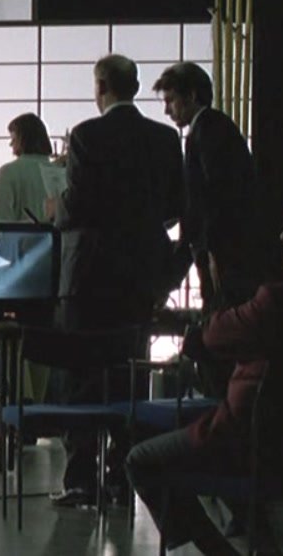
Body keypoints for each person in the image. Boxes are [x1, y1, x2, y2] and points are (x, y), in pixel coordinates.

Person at [126, 186, 283, 555]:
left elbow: (213, 337)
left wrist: (194, 327)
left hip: (249, 448)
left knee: (141, 460)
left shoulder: (278, 303)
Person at [46, 54, 184, 505]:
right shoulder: (164, 138)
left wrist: (57, 208)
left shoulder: (87, 135)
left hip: (89, 274)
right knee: (130, 373)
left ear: (101, 87)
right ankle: (124, 475)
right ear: (136, 87)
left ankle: (81, 478)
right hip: (140, 274)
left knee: (81, 376)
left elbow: (80, 205)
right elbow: (175, 206)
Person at [154, 61, 261, 396]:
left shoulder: (209, 130)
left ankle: (221, 402)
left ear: (191, 95)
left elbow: (218, 194)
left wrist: (213, 248)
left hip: (223, 249)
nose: (167, 110)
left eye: (171, 100)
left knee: (222, 322)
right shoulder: (214, 128)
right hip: (220, 247)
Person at [0, 112, 56, 404]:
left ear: (22, 138)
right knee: (44, 338)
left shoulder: (10, 173)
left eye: (13, 137)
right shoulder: (58, 171)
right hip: (53, 267)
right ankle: (41, 403)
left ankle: (20, 402)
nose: (10, 143)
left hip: (15, 268)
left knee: (11, 337)